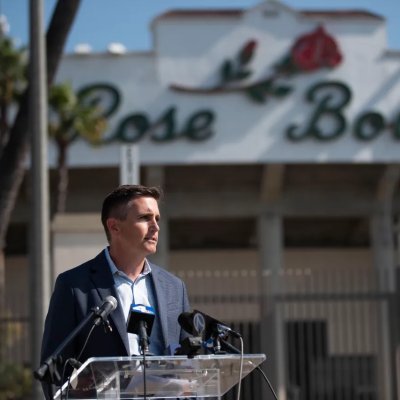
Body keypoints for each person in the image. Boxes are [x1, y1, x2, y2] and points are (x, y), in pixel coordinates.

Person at [39, 184, 191, 398]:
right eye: (145, 218)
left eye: (157, 218)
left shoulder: (174, 287)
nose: (155, 227)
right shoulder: (75, 285)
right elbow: (55, 370)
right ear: (114, 227)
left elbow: (189, 363)